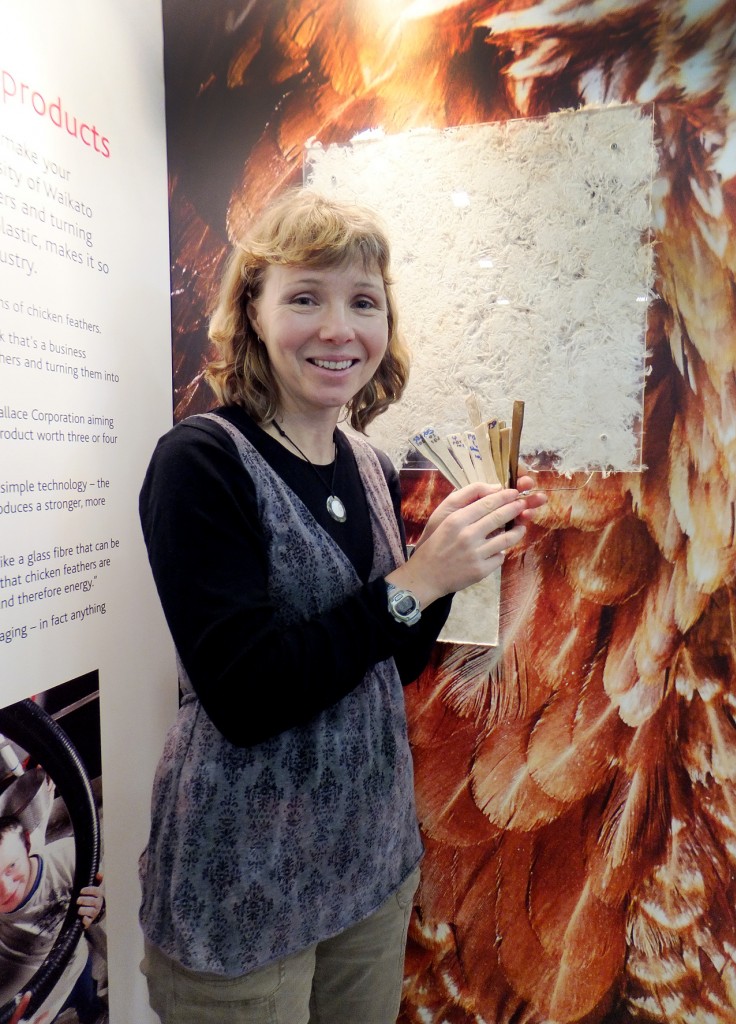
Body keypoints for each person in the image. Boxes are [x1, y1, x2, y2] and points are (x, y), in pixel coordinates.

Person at [138, 188, 546, 1024]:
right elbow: (247, 698)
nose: (338, 328)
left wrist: (459, 556)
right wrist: (417, 580)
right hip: (240, 892)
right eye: (303, 297)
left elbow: (387, 660)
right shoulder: (198, 463)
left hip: (366, 866)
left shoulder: (366, 459)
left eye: (362, 301)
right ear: (251, 314)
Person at [0, 816, 104, 1024]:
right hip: (35, 996)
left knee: (91, 1007)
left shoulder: (68, 858)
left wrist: (100, 905)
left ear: (27, 844)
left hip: (74, 966)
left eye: (11, 866)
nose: (5, 889)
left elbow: (105, 892)